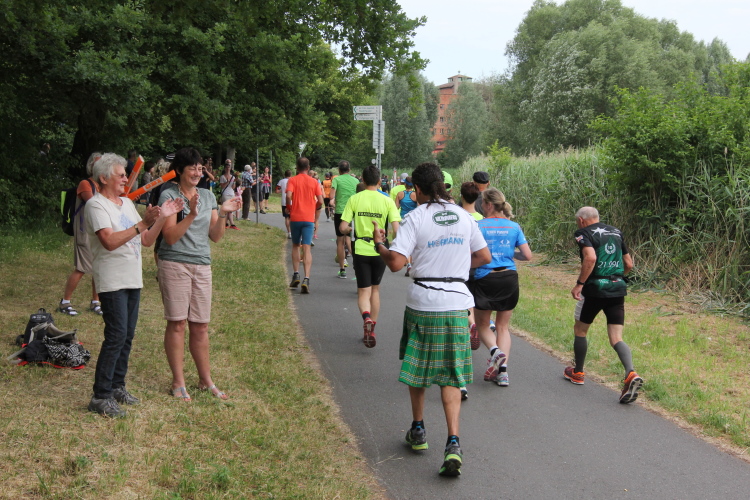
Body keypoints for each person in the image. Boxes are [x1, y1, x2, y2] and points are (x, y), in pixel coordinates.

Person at [372, 162, 490, 477]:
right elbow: (484, 256)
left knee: (418, 370)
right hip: (456, 304)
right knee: (452, 375)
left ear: (417, 189)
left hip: (423, 303)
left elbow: (396, 263)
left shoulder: (416, 217)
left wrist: (380, 244)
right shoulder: (464, 216)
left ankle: (418, 429)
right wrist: (456, 267)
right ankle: (453, 443)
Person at [85, 153, 183, 417]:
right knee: (116, 335)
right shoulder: (96, 205)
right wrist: (142, 224)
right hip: (112, 280)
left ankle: (117, 387)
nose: (126, 179)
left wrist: (162, 217)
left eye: (126, 175)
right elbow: (109, 241)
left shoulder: (126, 203)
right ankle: (100, 396)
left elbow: (147, 240)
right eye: (121, 175)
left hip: (132, 279)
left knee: (127, 336)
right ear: (103, 178)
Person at [157, 147, 242, 401]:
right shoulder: (169, 196)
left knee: (201, 325)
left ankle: (206, 380)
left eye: (199, 168)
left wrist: (224, 214)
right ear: (179, 171)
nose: (197, 172)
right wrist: (192, 214)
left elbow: (215, 236)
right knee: (177, 323)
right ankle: (178, 381)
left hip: (202, 265)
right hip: (175, 263)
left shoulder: (207, 195)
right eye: (191, 168)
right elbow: (170, 237)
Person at [564, 206, 643, 404]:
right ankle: (631, 373)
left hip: (594, 289)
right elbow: (629, 264)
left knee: (580, 330)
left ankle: (578, 372)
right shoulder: (616, 232)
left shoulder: (583, 233)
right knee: (616, 337)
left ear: (581, 220)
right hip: (617, 288)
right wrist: (615, 277)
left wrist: (580, 284)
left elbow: (590, 257)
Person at [468, 188, 532, 388]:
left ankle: (496, 352)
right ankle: (503, 373)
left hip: (485, 277)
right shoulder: (514, 226)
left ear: (488, 205)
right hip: (509, 277)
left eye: (482, 202)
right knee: (503, 327)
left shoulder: (478, 225)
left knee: (482, 324)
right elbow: (527, 255)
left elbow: (470, 254)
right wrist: (511, 254)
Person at [339, 165, 401, 347]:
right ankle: (372, 327)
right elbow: (397, 230)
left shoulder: (355, 199)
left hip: (360, 249)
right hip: (380, 250)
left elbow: (342, 227)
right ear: (379, 181)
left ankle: (366, 317)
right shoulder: (387, 200)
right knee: (375, 289)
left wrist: (351, 229)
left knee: (363, 291)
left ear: (363, 180)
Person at [59, 152, 103, 317]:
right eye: (99, 164)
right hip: (85, 231)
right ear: (91, 166)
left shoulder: (102, 185)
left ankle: (95, 302)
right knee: (82, 268)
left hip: (98, 230)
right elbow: (94, 204)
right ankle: (65, 302)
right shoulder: (85, 184)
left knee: (98, 267)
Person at [286, 157, 323, 294]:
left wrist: (289, 207)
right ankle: (306, 278)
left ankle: (296, 274)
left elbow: (288, 196)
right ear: (308, 168)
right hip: (308, 218)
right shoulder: (314, 182)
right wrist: (314, 207)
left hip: (295, 217)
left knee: (296, 245)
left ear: (297, 167)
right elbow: (320, 200)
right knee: (307, 248)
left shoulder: (292, 180)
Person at [329, 160, 358, 278]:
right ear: (349, 170)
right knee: (351, 239)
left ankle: (342, 270)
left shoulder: (336, 180)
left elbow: (331, 196)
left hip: (340, 212)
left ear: (339, 170)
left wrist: (335, 200)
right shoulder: (356, 181)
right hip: (353, 214)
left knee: (340, 241)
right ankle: (357, 265)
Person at [219, 160, 238, 229]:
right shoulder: (222, 177)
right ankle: (231, 224)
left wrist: (234, 182)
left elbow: (233, 187)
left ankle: (226, 223)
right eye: (226, 168)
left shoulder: (233, 177)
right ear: (225, 169)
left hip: (231, 193)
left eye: (229, 167)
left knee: (230, 210)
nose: (227, 169)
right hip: (225, 194)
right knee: (227, 209)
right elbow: (222, 186)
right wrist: (227, 182)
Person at [277, 169, 292, 238]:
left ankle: (289, 232)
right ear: (291, 175)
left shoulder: (281, 181)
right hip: (292, 201)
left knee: (286, 217)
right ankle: (293, 231)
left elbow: (277, 190)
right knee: (292, 217)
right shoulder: (293, 180)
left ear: (284, 174)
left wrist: (282, 190)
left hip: (284, 201)